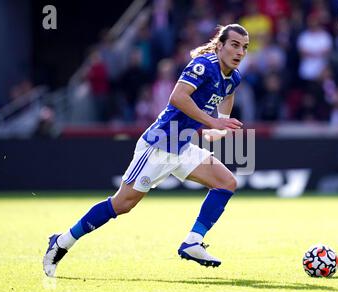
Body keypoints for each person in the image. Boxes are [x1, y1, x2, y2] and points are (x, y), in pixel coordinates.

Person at [43, 24, 249, 277]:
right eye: (235, 45)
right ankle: (62, 241)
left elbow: (228, 93)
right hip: (159, 145)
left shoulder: (234, 76)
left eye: (244, 47)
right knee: (122, 204)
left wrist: (221, 123)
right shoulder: (204, 66)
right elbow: (177, 97)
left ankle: (192, 241)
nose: (240, 51)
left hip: (182, 145)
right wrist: (213, 122)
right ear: (220, 46)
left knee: (226, 182)